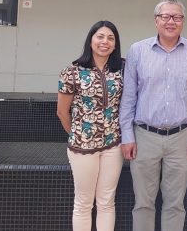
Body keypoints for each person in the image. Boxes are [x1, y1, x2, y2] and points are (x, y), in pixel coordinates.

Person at [119, 0, 187, 231]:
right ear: (156, 20)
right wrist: (127, 135)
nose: (171, 21)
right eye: (165, 16)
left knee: (175, 204)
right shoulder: (138, 51)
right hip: (144, 136)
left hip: (182, 138)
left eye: (177, 17)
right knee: (143, 203)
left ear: (183, 21)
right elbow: (128, 97)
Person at [57, 20, 124, 231]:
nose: (105, 42)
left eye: (111, 38)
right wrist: (77, 134)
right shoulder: (72, 72)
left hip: (113, 145)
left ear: (115, 44)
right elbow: (62, 112)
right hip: (82, 147)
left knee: (107, 201)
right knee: (84, 203)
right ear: (91, 40)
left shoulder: (123, 69)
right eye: (100, 36)